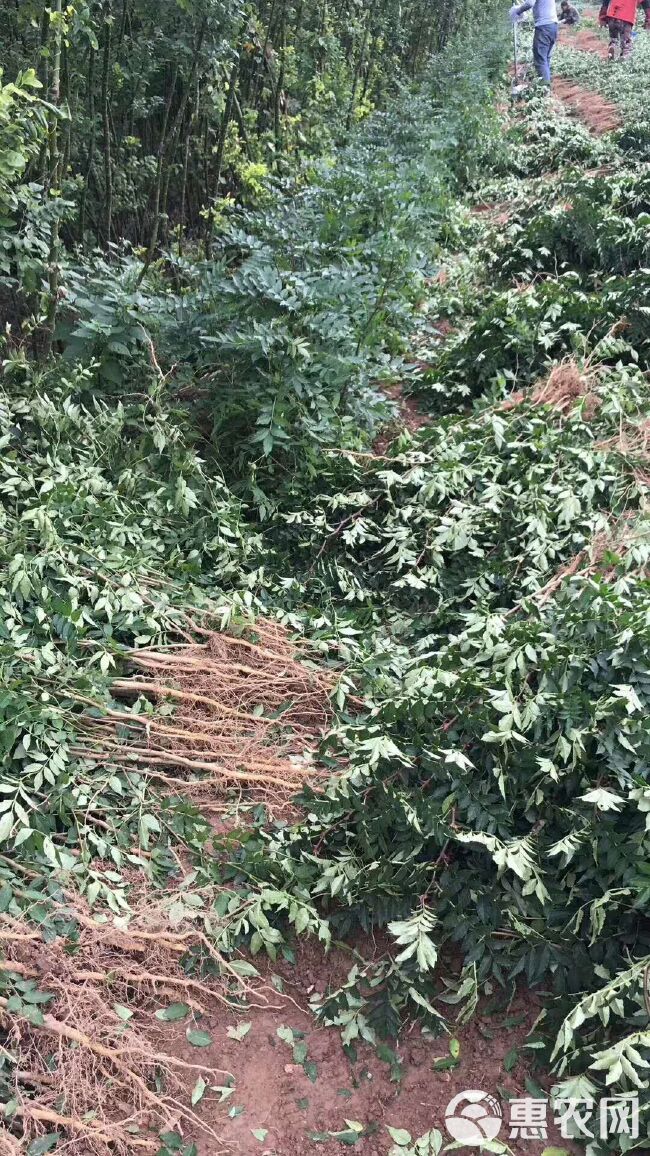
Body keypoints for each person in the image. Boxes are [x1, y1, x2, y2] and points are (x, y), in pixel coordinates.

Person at [510, 0, 559, 84]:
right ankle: (546, 85)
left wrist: (517, 11)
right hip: (553, 26)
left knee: (540, 59)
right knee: (546, 58)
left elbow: (529, 3)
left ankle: (545, 89)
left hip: (544, 27)